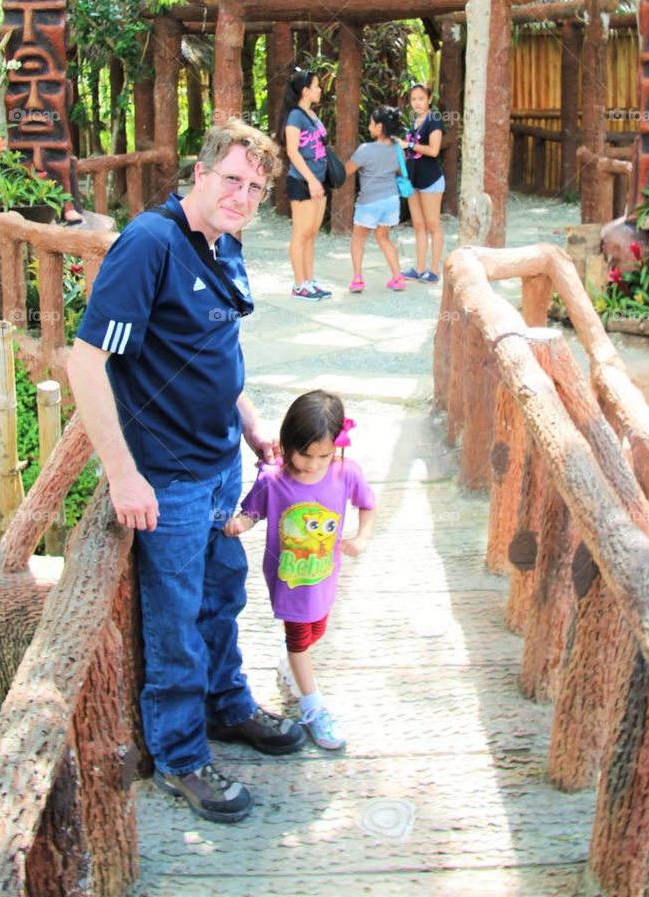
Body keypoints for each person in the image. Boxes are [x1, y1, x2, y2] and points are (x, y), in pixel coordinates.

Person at [66, 119, 306, 828]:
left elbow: (214, 351)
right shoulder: (150, 244)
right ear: (198, 174)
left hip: (218, 464)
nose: (242, 195)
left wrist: (254, 422)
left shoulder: (223, 242)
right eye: (231, 179)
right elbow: (87, 363)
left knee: (219, 597)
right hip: (164, 477)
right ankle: (178, 755)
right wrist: (122, 475)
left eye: (255, 188)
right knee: (174, 620)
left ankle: (226, 705)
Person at [225, 390, 376, 750]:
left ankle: (289, 663)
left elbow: (368, 505)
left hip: (324, 576)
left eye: (323, 456)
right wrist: (239, 525)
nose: (312, 464)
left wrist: (362, 536)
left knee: (315, 631)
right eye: (304, 454)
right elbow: (254, 511)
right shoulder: (274, 480)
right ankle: (313, 707)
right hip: (289, 580)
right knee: (299, 641)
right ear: (288, 441)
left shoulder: (345, 474)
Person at [277, 67, 331, 300]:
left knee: (311, 233)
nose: (320, 90)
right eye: (317, 86)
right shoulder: (295, 116)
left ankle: (309, 281)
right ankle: (299, 285)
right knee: (301, 233)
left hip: (319, 180)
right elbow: (292, 151)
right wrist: (311, 181)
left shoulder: (312, 115)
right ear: (306, 91)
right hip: (302, 182)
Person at [343, 105, 406, 292]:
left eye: (371, 123)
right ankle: (397, 277)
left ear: (379, 127)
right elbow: (402, 171)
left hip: (370, 201)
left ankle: (357, 280)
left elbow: (347, 171)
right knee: (383, 237)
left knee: (358, 239)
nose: (369, 126)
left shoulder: (365, 149)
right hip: (392, 200)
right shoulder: (398, 150)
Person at [398, 82, 445, 283]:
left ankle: (434, 271)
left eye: (421, 99)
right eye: (413, 99)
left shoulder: (434, 119)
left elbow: (434, 150)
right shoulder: (414, 121)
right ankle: (419, 268)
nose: (417, 103)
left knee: (433, 224)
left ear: (429, 100)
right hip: (413, 180)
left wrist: (408, 144)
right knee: (418, 225)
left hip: (430, 180)